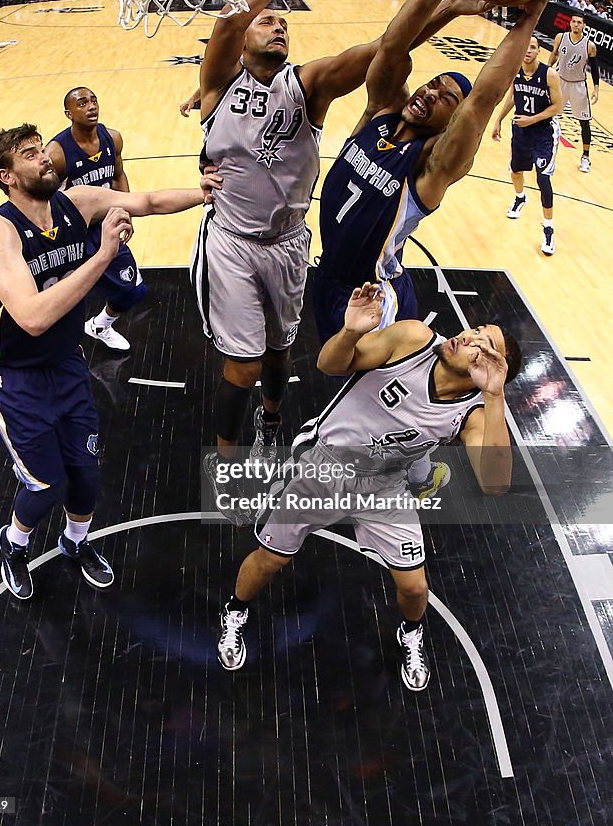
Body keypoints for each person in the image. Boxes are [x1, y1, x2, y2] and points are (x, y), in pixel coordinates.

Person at [191, 0, 496, 481]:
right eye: (266, 21)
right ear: (243, 41)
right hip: (231, 241)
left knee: (280, 351)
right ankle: (229, 469)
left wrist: (446, 4)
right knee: (242, 363)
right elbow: (230, 19)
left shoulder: (307, 85)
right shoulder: (214, 87)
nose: (276, 25)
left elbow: (386, 49)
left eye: (283, 21)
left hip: (289, 244)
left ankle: (274, 421)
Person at [216, 283, 521, 691]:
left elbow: (496, 483)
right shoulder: (412, 338)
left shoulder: (475, 412)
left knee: (415, 587)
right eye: (475, 329)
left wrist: (496, 397)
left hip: (384, 486)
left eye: (482, 345)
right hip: (322, 466)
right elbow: (328, 365)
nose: (468, 336)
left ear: (491, 369)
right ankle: (236, 610)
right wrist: (350, 332)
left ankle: (409, 633)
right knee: (271, 560)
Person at [0, 123, 219, 600]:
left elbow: (145, 202)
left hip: (66, 364)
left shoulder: (77, 201)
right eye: (30, 155)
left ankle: (75, 543)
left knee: (86, 473)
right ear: (7, 176)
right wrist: (104, 251)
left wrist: (202, 192)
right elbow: (31, 317)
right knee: (45, 485)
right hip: (17, 377)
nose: (45, 157)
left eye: (41, 149)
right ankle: (15, 544)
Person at [314, 0, 553, 344]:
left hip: (374, 299)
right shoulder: (381, 112)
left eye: (445, 98)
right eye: (434, 83)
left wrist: (530, 18)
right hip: (329, 277)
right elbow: (392, 48)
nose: (430, 92)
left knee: (366, 393)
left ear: (450, 123)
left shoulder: (431, 165)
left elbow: (483, 99)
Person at [46, 87, 145, 351]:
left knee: (133, 291)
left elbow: (118, 175)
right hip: (73, 234)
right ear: (69, 113)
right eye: (82, 103)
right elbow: (46, 201)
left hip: (105, 228)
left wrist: (128, 212)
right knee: (63, 299)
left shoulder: (113, 138)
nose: (90, 106)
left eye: (93, 101)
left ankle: (100, 325)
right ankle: (57, 349)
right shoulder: (57, 153)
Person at [491, 36, 563, 255]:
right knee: (515, 170)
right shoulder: (516, 71)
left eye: (533, 47)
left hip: (544, 133)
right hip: (521, 131)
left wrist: (532, 119)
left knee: (543, 178)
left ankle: (548, 229)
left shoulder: (549, 74)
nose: (528, 50)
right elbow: (512, 96)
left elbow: (558, 107)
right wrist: (498, 120)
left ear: (539, 51)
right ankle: (520, 197)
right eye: (526, 46)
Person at [548, 11, 599, 172]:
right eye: (574, 22)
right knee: (548, 117)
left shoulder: (589, 46)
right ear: (570, 23)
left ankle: (585, 157)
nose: (576, 24)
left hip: (578, 85)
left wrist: (596, 88)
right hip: (560, 81)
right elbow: (554, 54)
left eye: (579, 22)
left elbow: (595, 69)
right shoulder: (560, 38)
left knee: (584, 122)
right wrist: (547, 70)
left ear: (584, 25)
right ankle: (546, 152)